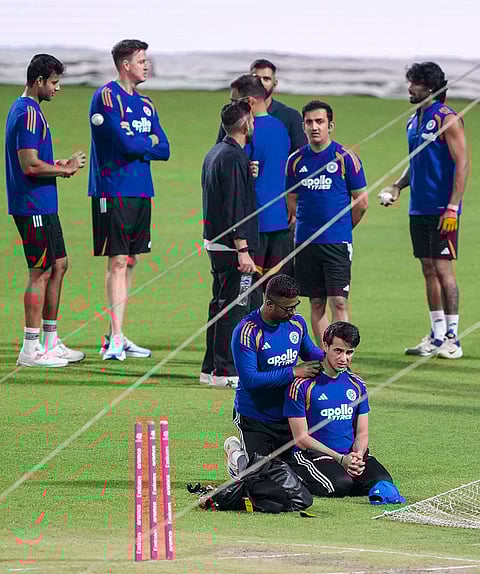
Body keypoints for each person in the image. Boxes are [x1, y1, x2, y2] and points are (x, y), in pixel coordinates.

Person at [88, 39, 170, 361]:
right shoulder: (106, 97)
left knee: (130, 261)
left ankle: (115, 335)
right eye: (141, 60)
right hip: (113, 190)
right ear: (125, 65)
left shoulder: (147, 104)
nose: (146, 65)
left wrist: (143, 142)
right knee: (118, 261)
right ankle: (116, 337)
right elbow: (124, 145)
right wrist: (145, 141)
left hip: (141, 191)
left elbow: (164, 148)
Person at [379, 62, 467, 359]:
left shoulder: (448, 118)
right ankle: (437, 334)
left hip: (443, 210)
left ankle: (453, 337)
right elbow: (416, 162)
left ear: (430, 87)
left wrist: (453, 207)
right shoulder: (413, 121)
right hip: (419, 208)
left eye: (415, 82)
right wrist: (397, 186)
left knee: (443, 269)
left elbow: (462, 164)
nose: (410, 87)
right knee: (427, 269)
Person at [5, 54, 87, 367]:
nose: (58, 88)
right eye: (54, 82)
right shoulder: (27, 113)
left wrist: (59, 164)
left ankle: (51, 342)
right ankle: (30, 349)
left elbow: (39, 161)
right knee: (39, 272)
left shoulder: (31, 110)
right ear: (39, 81)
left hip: (44, 204)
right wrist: (63, 172)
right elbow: (29, 165)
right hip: (32, 206)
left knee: (60, 265)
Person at [286, 100, 368, 348]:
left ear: (330, 125)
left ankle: (342, 356)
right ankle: (326, 357)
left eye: (319, 121)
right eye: (309, 122)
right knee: (316, 302)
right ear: (303, 125)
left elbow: (362, 202)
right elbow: (291, 200)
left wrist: (342, 228)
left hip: (337, 243)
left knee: (339, 302)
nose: (314, 127)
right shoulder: (295, 161)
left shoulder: (346, 158)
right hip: (306, 243)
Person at [225, 274, 324, 478]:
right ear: (269, 304)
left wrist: (332, 357)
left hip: (287, 415)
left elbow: (310, 352)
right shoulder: (247, 331)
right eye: (288, 308)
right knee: (257, 479)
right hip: (255, 417)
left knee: (294, 475)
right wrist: (293, 372)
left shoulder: (296, 323)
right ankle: (236, 455)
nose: (294, 312)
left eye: (295, 305)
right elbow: (250, 380)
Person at [284, 321, 396, 498]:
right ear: (326, 346)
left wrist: (357, 455)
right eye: (338, 351)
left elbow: (362, 432)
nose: (344, 358)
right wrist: (340, 459)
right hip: (314, 454)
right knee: (339, 486)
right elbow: (301, 438)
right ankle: (292, 472)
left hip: (348, 455)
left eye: (349, 352)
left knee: (383, 483)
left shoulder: (357, 385)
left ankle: (344, 472)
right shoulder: (302, 385)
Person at [200, 101, 258, 388]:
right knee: (235, 308)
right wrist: (243, 248)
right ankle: (225, 372)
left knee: (219, 305)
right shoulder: (233, 158)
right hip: (233, 246)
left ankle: (210, 368)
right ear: (245, 124)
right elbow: (235, 205)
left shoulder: (216, 152)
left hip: (216, 242)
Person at [230, 74, 293, 281]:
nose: (232, 107)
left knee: (246, 297)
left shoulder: (246, 131)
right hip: (279, 222)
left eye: (234, 101)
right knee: (274, 294)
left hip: (253, 226)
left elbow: (235, 176)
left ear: (248, 101)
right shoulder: (281, 129)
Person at [216, 58, 307, 154]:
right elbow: (220, 151)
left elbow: (300, 157)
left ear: (274, 84)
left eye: (266, 79)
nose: (261, 83)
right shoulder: (233, 116)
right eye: (256, 78)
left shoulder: (290, 117)